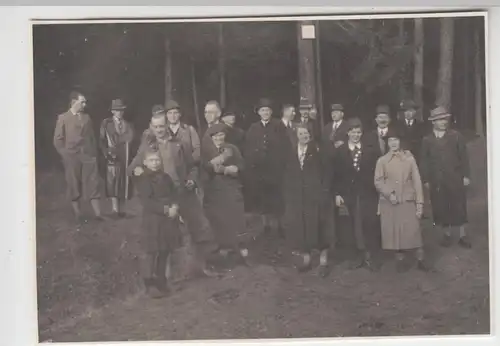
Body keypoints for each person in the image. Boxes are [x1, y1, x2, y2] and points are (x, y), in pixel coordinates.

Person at [128, 103, 221, 278]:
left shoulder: (179, 144)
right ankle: (167, 276)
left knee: (199, 228)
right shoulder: (147, 148)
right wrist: (138, 172)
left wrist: (192, 180)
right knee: (165, 237)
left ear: (167, 126)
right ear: (151, 127)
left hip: (184, 194)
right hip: (164, 199)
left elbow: (193, 166)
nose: (159, 130)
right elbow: (131, 168)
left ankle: (202, 267)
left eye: (162, 126)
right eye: (155, 127)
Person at [374, 128, 430, 272]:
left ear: (401, 142)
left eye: (396, 140)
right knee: (395, 234)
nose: (393, 143)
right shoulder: (382, 161)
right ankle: (400, 261)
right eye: (390, 140)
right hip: (390, 202)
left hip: (407, 200)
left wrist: (419, 204)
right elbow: (378, 181)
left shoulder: (409, 159)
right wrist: (389, 193)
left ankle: (421, 260)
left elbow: (417, 182)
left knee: (413, 231)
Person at [332, 117, 380, 270]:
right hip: (348, 194)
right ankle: (356, 255)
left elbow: (376, 173)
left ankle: (369, 256)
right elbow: (335, 174)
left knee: (369, 223)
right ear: (348, 133)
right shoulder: (340, 152)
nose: (356, 135)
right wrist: (338, 194)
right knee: (351, 224)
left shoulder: (370, 150)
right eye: (353, 132)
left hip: (367, 193)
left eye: (358, 132)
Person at [283, 124, 331, 277]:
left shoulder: (318, 150)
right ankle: (306, 259)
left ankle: (323, 262)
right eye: (301, 133)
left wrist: (324, 191)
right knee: (302, 227)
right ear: (296, 135)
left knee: (319, 226)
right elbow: (288, 173)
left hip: (315, 195)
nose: (304, 136)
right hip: (298, 196)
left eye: (307, 133)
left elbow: (327, 172)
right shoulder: (291, 151)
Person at [420, 106, 472, 248]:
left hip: (455, 177)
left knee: (459, 206)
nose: (443, 122)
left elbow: (464, 158)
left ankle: (462, 235)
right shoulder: (427, 140)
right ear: (433, 122)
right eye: (439, 120)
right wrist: (425, 179)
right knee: (441, 206)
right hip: (437, 180)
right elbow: (424, 161)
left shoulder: (456, 136)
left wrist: (466, 176)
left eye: (444, 119)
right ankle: (447, 235)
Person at [201, 123, 249, 264]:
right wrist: (224, 169)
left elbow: (241, 165)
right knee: (219, 219)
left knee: (236, 217)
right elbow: (207, 167)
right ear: (211, 137)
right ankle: (224, 247)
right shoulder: (207, 151)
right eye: (215, 136)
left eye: (221, 135)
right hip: (214, 189)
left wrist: (235, 169)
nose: (219, 138)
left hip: (231, 187)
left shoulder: (232, 148)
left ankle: (241, 246)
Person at [136, 149, 180, 298]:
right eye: (152, 160)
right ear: (145, 163)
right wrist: (165, 209)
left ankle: (161, 281)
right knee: (152, 251)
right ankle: (149, 284)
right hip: (153, 219)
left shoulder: (166, 177)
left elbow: (174, 193)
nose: (155, 163)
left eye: (157, 160)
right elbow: (147, 201)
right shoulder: (144, 179)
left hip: (168, 219)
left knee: (165, 249)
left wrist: (175, 206)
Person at [53, 91, 103, 224]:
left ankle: (98, 214)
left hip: (88, 156)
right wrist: (65, 154)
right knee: (74, 183)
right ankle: (78, 214)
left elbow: (92, 138)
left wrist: (93, 154)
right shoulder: (63, 118)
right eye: (82, 102)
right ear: (74, 102)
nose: (85, 105)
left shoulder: (87, 118)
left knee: (93, 182)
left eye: (85, 102)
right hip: (72, 157)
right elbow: (58, 140)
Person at [244, 98, 289, 234]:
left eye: (267, 110)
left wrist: (282, 164)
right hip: (260, 170)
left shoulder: (279, 125)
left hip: (275, 169)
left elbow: (285, 146)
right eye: (262, 110)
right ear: (258, 113)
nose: (265, 113)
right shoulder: (253, 128)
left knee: (277, 197)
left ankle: (280, 225)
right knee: (263, 198)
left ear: (271, 112)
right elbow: (249, 147)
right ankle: (266, 225)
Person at [99, 99, 134, 218]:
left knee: (123, 181)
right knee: (112, 181)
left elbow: (130, 138)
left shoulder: (127, 125)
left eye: (121, 110)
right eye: (117, 110)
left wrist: (128, 140)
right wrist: (106, 153)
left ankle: (122, 209)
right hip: (112, 155)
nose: (119, 112)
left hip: (124, 155)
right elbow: (102, 140)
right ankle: (114, 209)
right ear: (113, 111)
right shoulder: (106, 123)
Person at [396, 99, 426, 164]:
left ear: (415, 112)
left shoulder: (420, 125)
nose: (408, 113)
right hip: (401, 158)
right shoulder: (398, 125)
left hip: (416, 157)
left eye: (410, 111)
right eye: (406, 111)